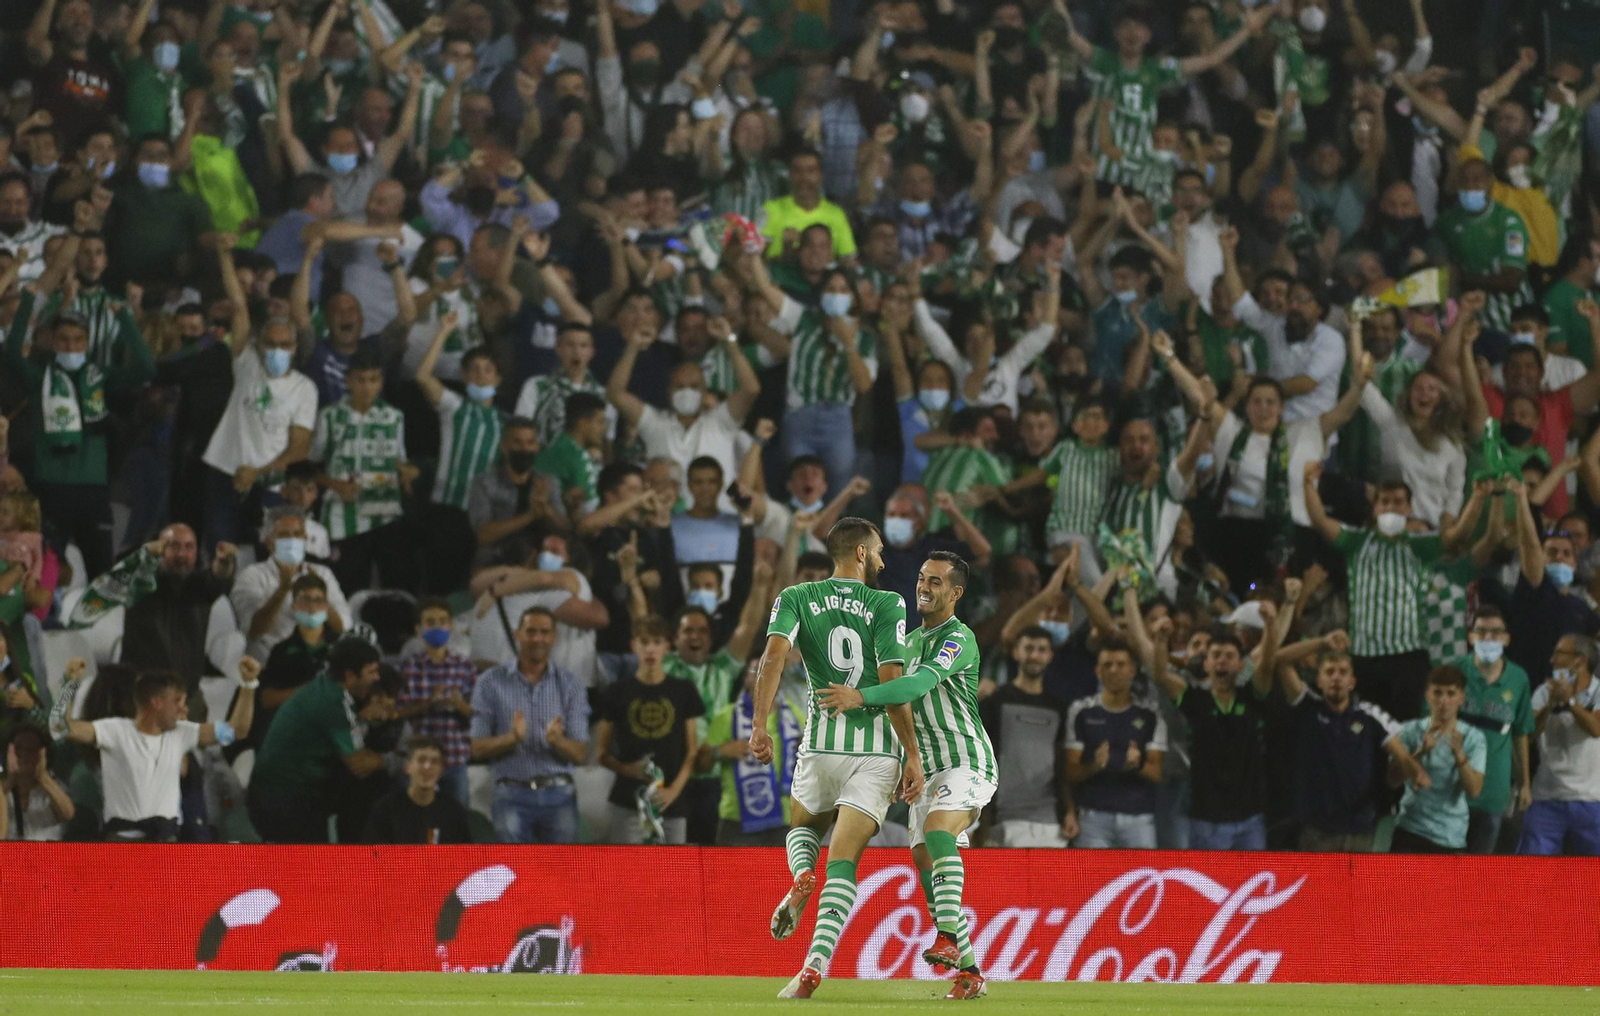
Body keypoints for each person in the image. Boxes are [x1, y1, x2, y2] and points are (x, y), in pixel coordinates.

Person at [752, 518, 919, 1000]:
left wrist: (759, 726)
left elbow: (773, 658)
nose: (885, 560)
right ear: (862, 554)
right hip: (875, 754)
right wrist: (911, 753)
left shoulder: (795, 596)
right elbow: (891, 683)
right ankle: (814, 964)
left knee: (803, 829)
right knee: (844, 863)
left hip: (821, 745)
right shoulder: (888, 604)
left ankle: (802, 873)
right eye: (880, 551)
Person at [819, 551, 993, 1000]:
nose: (924, 587)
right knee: (923, 859)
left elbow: (914, 688)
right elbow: (900, 708)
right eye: (921, 578)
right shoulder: (908, 642)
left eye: (935, 582)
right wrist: (904, 761)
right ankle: (971, 971)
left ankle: (949, 939)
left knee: (938, 833)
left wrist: (860, 696)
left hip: (967, 759)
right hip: (926, 768)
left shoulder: (959, 639)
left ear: (956, 593)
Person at [56, 658, 258, 842]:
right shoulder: (114, 731)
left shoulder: (182, 733)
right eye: (177, 701)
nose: (184, 709)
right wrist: (68, 684)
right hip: (122, 845)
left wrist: (248, 685)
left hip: (168, 841)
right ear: (156, 702)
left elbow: (236, 731)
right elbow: (60, 727)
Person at [246, 636, 384, 844]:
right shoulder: (335, 702)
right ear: (349, 676)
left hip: (274, 796)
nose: (377, 678)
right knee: (311, 870)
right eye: (371, 672)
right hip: (285, 801)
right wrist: (396, 760)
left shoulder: (325, 688)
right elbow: (358, 764)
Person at [469, 606, 590, 844]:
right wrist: (511, 739)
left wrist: (557, 741)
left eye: (545, 632)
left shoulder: (571, 684)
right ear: (518, 634)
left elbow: (579, 754)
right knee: (516, 873)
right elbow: (477, 748)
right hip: (511, 794)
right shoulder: (490, 682)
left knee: (561, 875)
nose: (537, 638)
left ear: (554, 637)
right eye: (531, 631)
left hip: (560, 796)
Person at [595, 616, 704, 844]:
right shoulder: (617, 692)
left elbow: (691, 751)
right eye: (644, 642)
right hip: (627, 800)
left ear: (667, 647)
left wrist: (673, 791)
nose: (650, 649)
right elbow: (602, 753)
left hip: (671, 801)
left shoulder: (683, 690)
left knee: (675, 873)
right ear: (634, 646)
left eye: (656, 642)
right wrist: (626, 769)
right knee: (628, 873)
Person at [118, 525, 237, 721]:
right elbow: (121, 574)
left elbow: (218, 577)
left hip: (187, 697)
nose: (182, 554)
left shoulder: (200, 587)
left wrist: (225, 560)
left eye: (189, 547)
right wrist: (146, 556)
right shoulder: (140, 583)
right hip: (142, 696)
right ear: (159, 548)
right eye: (174, 546)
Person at [980, 625, 1075, 848]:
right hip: (1002, 820)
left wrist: (1069, 810)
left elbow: (1062, 765)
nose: (1034, 655)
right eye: (1029, 648)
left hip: (1050, 821)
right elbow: (982, 757)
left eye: (1042, 649)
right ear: (1016, 652)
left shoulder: (1059, 708)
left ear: (1050, 656)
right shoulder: (995, 701)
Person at [1066, 640, 1167, 849]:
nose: (1114, 670)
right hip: (1093, 819)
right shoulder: (1081, 711)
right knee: (1091, 882)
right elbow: (1069, 772)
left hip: (1139, 819)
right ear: (1097, 672)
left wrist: (1138, 765)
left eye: (1121, 665)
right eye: (1107, 665)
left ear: (1132, 671)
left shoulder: (1151, 714)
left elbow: (1156, 773)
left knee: (1142, 881)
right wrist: (1094, 765)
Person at [1455, 606, 1534, 854]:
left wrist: (1525, 784)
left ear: (1507, 638)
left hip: (1494, 792)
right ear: (1470, 636)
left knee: (1479, 875)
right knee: (1444, 874)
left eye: (1496, 632)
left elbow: (1520, 733)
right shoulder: (1454, 672)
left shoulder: (1518, 679)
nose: (1488, 638)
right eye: (1481, 631)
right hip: (1453, 791)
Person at [230, 507, 351, 661]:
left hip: (317, 657)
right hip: (270, 660)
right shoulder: (251, 576)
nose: (292, 541)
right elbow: (253, 631)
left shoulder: (322, 574)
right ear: (269, 542)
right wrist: (282, 590)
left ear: (305, 539)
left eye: (297, 534)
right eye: (283, 535)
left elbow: (343, 627)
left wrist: (320, 597)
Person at [1389, 665, 1488, 854]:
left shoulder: (1474, 738)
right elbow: (1392, 780)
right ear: (1427, 695)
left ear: (1462, 697)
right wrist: (1420, 752)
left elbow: (1474, 791)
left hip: (1449, 836)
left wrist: (1460, 757)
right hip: (1410, 829)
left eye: (1451, 694)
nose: (1443, 700)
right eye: (1437, 693)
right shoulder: (1408, 730)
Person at [1518, 634, 1600, 855]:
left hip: (1592, 800)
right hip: (1546, 797)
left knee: (1592, 878)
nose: (1552, 660)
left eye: (1559, 653)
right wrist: (1550, 704)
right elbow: (1529, 733)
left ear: (1580, 661)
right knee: (1532, 874)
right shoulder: (1544, 692)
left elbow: (1596, 729)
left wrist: (1570, 702)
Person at [396, 598, 477, 806]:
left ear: (451, 626)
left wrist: (459, 705)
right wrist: (428, 703)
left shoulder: (464, 667)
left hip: (455, 759)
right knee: (414, 825)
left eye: (442, 621)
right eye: (430, 622)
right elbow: (399, 712)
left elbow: (479, 716)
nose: (437, 627)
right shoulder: (408, 668)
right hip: (418, 761)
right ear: (418, 629)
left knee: (455, 826)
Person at [361, 736, 473, 845]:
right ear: (407, 767)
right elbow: (373, 856)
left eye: (434, 762)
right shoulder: (385, 810)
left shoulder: (453, 812)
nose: (427, 766)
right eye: (421, 760)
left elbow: (464, 858)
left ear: (441, 771)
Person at [3, 725, 74, 841]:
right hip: (10, 856)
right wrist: (10, 782)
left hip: (45, 855)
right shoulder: (3, 789)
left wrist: (42, 776)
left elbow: (68, 813)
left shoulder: (53, 787)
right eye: (18, 749)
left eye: (31, 750)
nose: (24, 755)